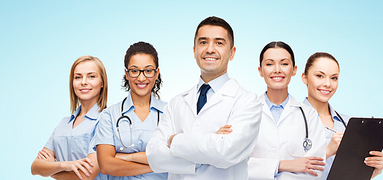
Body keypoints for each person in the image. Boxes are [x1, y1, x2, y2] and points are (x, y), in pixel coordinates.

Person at [146, 16, 262, 180]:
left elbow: (224, 152)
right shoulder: (176, 102)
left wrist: (175, 140)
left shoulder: (248, 101)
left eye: (219, 43)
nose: (210, 49)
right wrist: (210, 143)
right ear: (194, 51)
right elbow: (154, 156)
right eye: (203, 42)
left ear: (232, 53)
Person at [301, 52, 383, 179]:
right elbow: (283, 172)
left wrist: (373, 170)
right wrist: (327, 151)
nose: (327, 84)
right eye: (319, 76)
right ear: (304, 78)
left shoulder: (349, 124)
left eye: (334, 78)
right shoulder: (289, 119)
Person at [247, 41, 326, 180]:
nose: (277, 69)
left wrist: (263, 169)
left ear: (294, 70)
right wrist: (282, 165)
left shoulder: (309, 116)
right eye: (269, 64)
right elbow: (236, 165)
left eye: (284, 63)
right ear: (260, 71)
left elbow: (316, 169)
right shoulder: (245, 112)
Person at [92, 41, 168, 180]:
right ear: (126, 74)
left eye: (148, 71)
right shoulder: (109, 115)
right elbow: (106, 166)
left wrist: (127, 157)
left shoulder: (171, 112)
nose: (141, 77)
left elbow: (179, 158)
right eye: (134, 71)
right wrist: (159, 164)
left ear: (157, 73)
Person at [31, 55, 109, 180]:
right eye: (78, 77)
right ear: (72, 83)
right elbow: (35, 167)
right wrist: (65, 165)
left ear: (102, 83)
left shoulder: (106, 121)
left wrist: (51, 169)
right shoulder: (63, 123)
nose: (83, 82)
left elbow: (87, 174)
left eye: (91, 76)